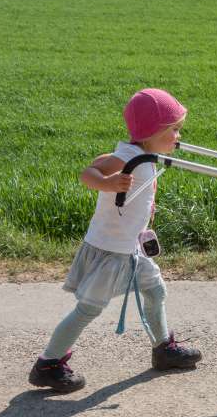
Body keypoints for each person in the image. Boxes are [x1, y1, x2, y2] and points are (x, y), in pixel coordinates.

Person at [28, 89, 202, 393]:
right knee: (89, 309)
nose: (178, 135)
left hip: (131, 248)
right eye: (173, 129)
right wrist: (106, 183)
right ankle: (48, 363)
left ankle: (163, 348)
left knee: (156, 289)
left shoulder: (145, 155)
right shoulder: (127, 158)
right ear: (152, 131)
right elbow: (88, 173)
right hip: (110, 252)